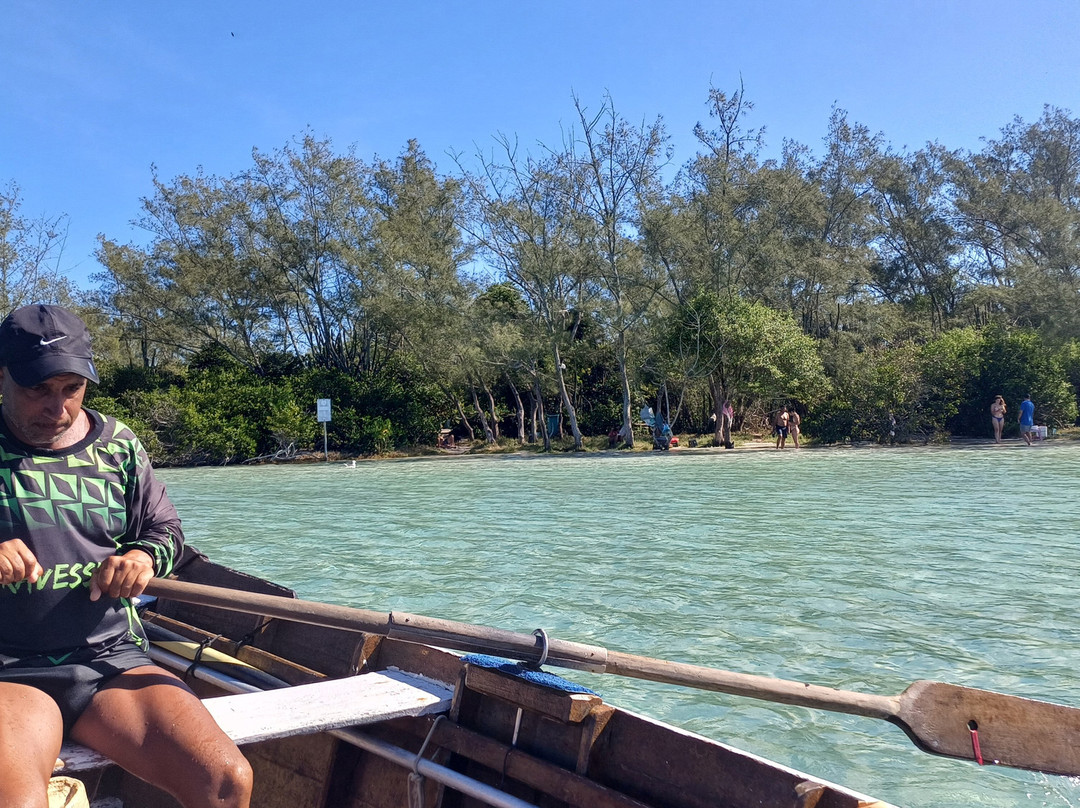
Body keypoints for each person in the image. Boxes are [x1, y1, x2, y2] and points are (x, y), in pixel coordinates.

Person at [0, 305, 253, 808]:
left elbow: (165, 530)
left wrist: (142, 556)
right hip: (9, 669)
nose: (58, 408)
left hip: (111, 659)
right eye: (38, 390)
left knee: (226, 780)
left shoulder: (117, 444)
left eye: (72, 388)